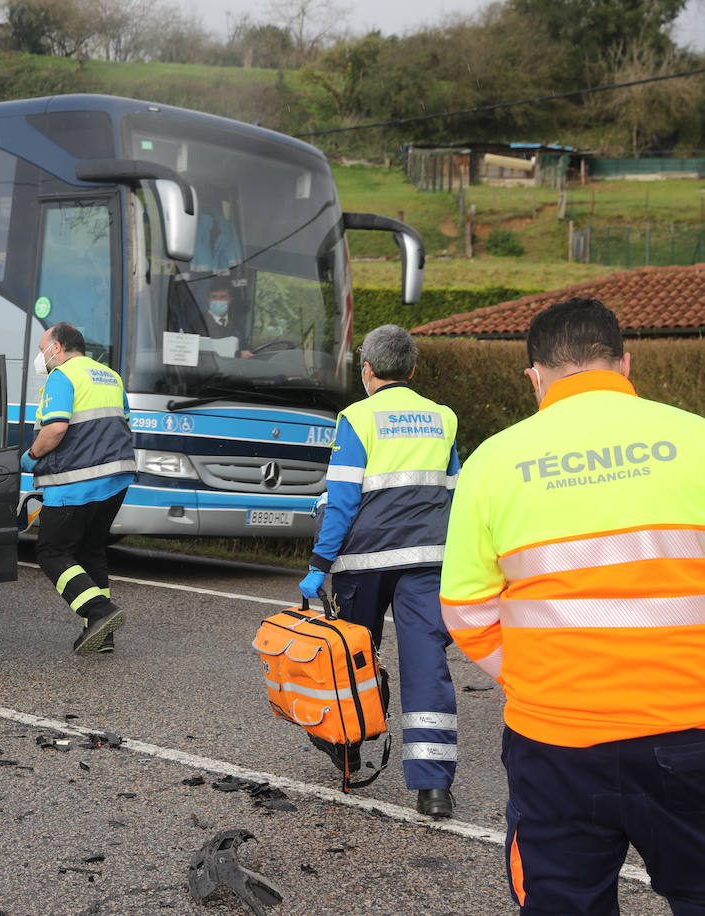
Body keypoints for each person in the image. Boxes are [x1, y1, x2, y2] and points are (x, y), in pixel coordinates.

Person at [440, 297, 705, 914]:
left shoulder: (494, 462)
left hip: (555, 740)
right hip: (691, 730)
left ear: (535, 376)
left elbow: (465, 606)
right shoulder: (696, 441)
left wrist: (536, 676)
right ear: (625, 364)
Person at [300, 324, 461, 818]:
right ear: (412, 370)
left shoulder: (357, 418)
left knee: (352, 656)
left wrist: (317, 567)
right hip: (426, 562)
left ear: (366, 369)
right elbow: (455, 495)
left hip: (363, 562)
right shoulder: (443, 418)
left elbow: (343, 502)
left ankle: (348, 752)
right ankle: (433, 789)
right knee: (426, 664)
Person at [21, 321, 136, 656]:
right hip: (116, 479)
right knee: (90, 549)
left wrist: (31, 456)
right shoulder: (110, 376)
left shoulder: (63, 376)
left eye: (43, 347)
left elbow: (56, 428)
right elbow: (125, 423)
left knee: (51, 551)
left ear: (57, 347)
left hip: (75, 481)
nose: (42, 355)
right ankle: (102, 634)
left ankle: (99, 612)